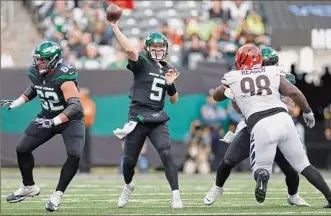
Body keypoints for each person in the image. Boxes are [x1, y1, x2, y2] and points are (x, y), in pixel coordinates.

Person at [209, 44, 331, 208]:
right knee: (303, 165)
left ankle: (279, 186)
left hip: (261, 124)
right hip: (281, 120)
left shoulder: (234, 77)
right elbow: (293, 92)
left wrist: (227, 91)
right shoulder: (274, 73)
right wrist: (307, 111)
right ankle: (329, 197)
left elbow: (217, 96)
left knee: (263, 169)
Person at [105, 16, 183, 209]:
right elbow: (130, 49)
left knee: (166, 153)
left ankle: (176, 195)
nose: (157, 50)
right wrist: (115, 27)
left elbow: (174, 99)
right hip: (138, 117)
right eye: (154, 47)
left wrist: (170, 85)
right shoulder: (142, 62)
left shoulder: (168, 69)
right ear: (148, 48)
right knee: (129, 162)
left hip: (157, 117)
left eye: (160, 47)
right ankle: (128, 185)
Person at [1, 41, 85, 212]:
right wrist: (17, 103)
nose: (38, 63)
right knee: (22, 149)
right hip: (46, 116)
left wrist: (54, 122)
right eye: (37, 59)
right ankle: (28, 187)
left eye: (43, 60)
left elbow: (75, 106)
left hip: (70, 120)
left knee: (74, 154)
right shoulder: (36, 71)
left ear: (54, 60)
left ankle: (58, 194)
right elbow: (36, 87)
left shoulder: (64, 74)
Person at [78, 87, 96, 173]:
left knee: (81, 147)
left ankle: (83, 167)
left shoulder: (83, 103)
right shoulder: (90, 103)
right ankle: (85, 167)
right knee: (84, 147)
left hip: (82, 126)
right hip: (86, 126)